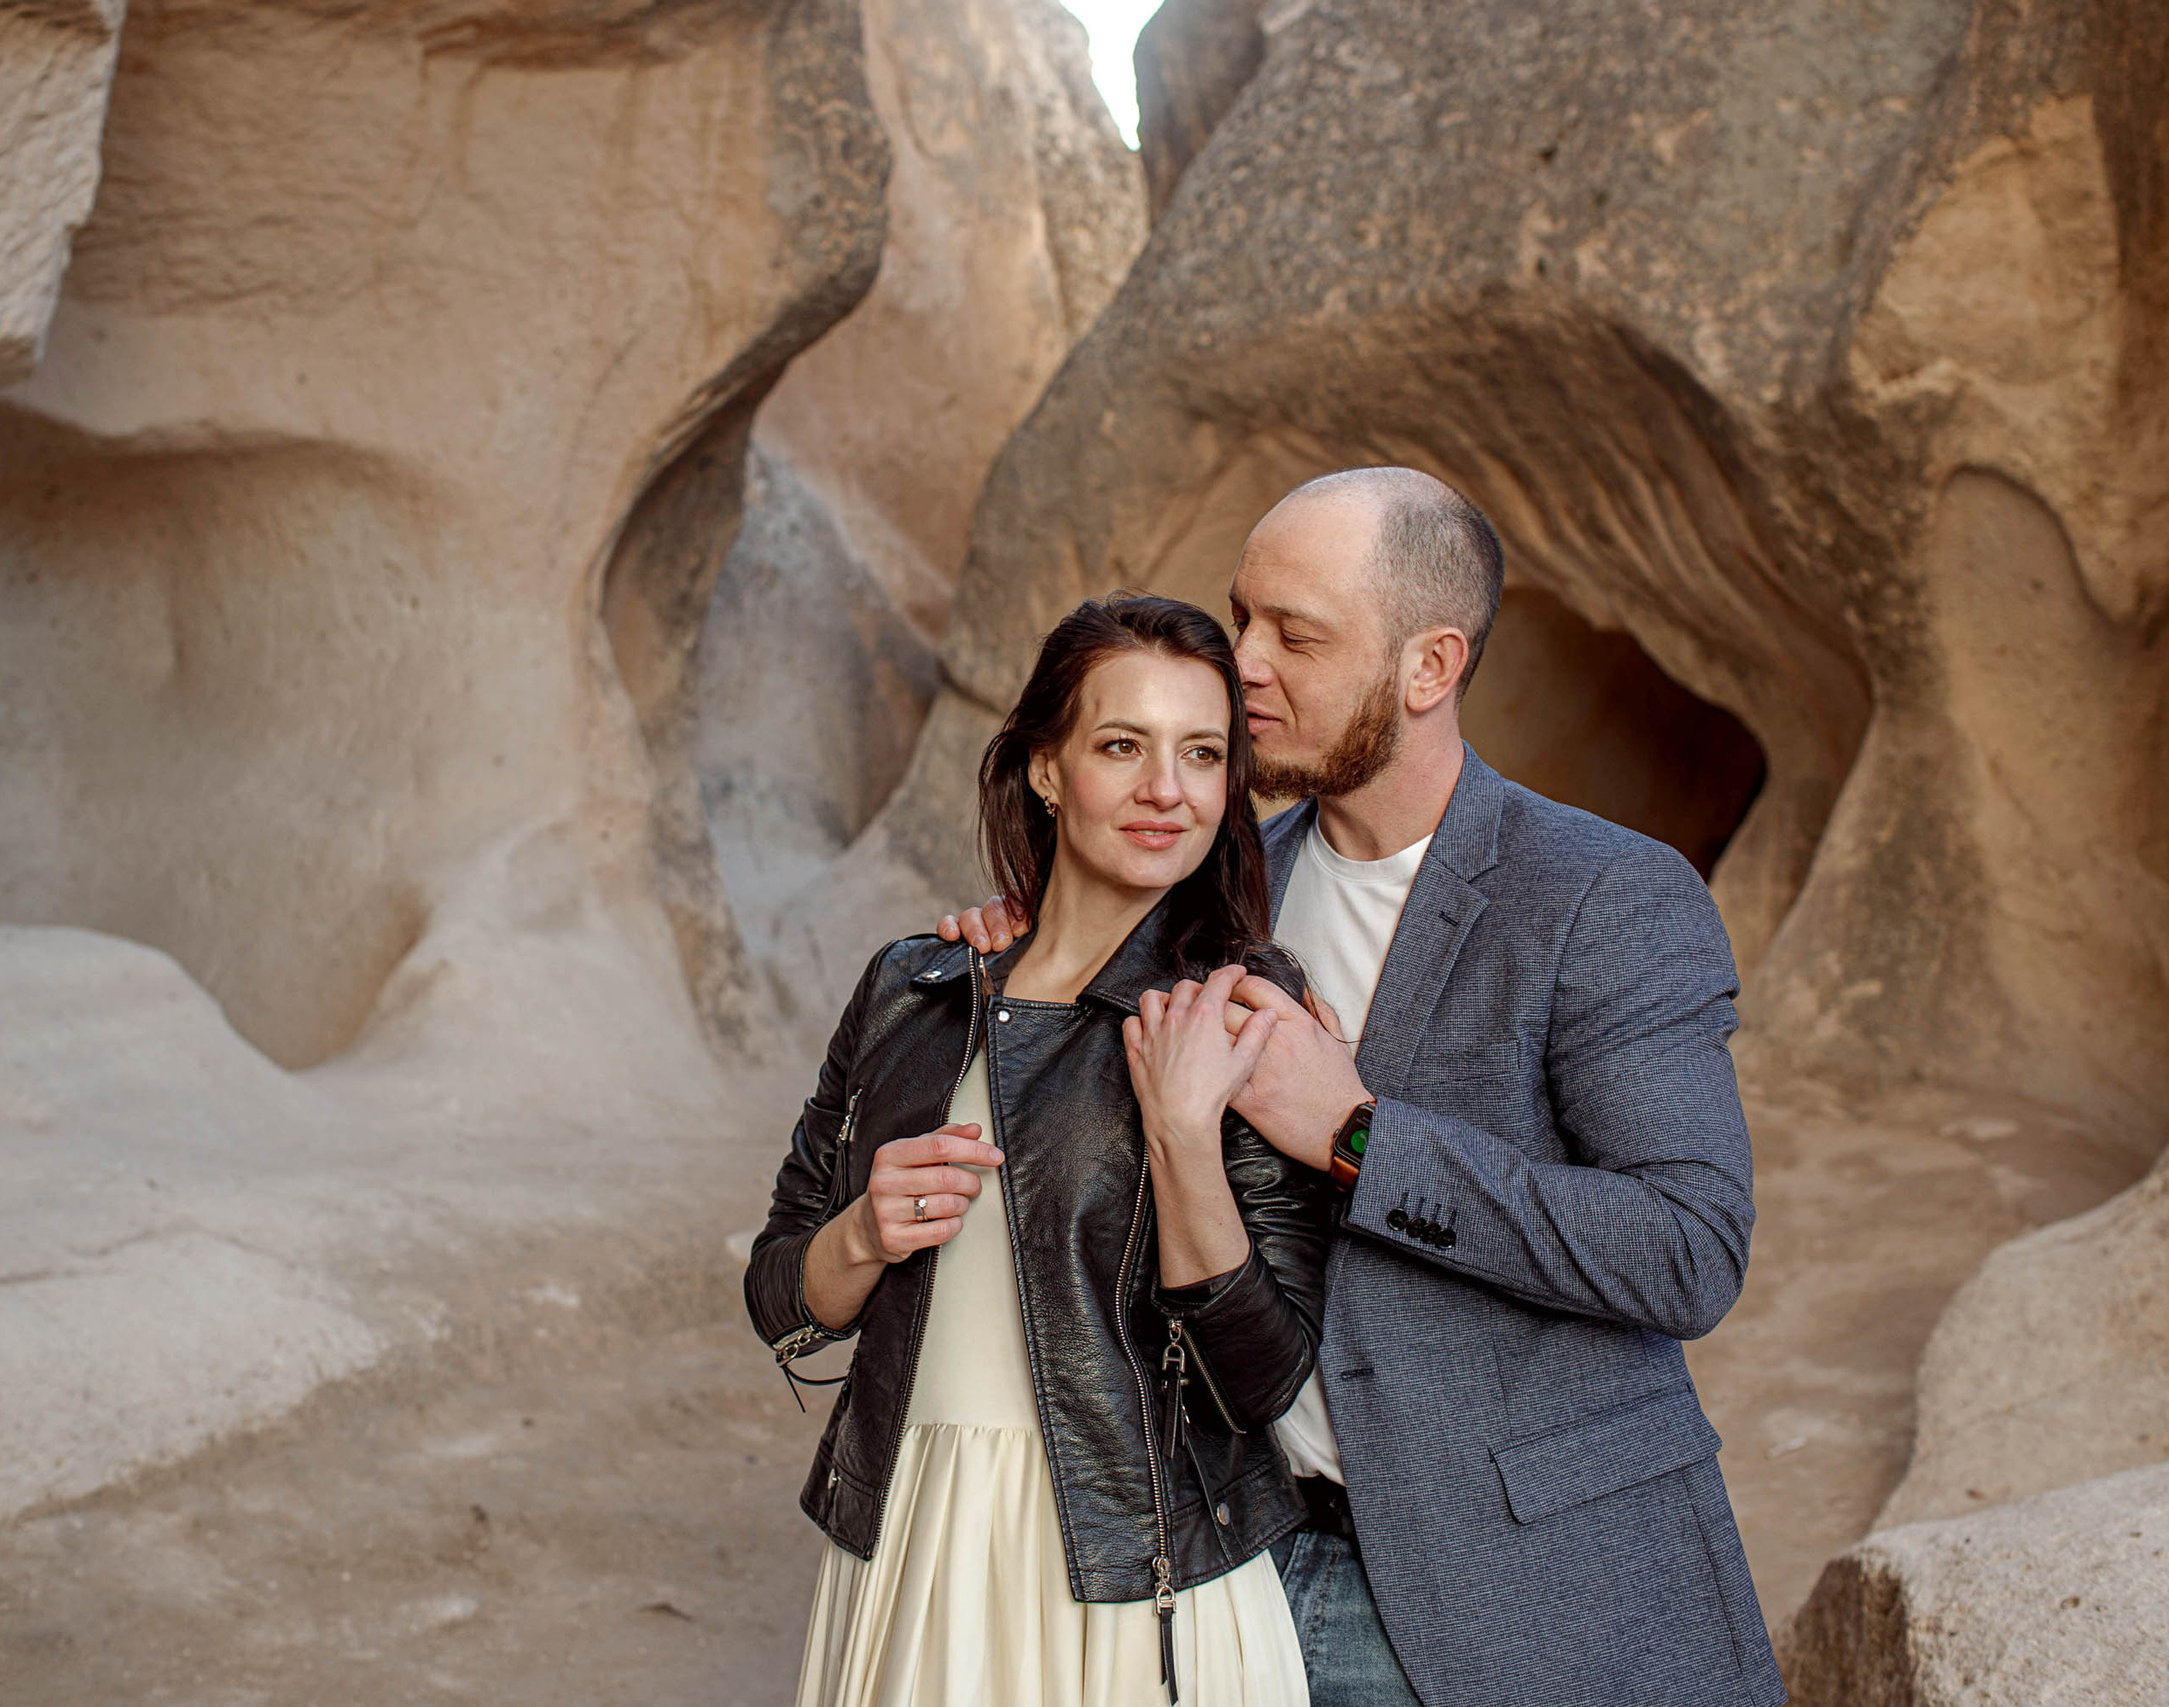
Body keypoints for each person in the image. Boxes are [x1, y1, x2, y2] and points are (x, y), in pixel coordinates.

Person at [942, 469, 1785, 1707]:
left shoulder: (1606, 896)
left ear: (1428, 667)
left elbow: (1684, 1250)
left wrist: (1353, 1135)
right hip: (1240, 1564)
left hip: (1525, 1585)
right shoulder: (1207, 892)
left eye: (1296, 634)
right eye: (1241, 619)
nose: (1242, 665)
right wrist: (1025, 951)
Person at [746, 594, 1334, 1706]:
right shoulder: (911, 989)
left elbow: (1262, 1381)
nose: (1168, 789)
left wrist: (1182, 1138)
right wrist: (864, 1232)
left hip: (1126, 1570)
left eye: (1201, 754)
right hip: (907, 1544)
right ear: (1046, 770)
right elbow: (780, 1295)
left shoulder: (1243, 1010)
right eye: (1122, 746)